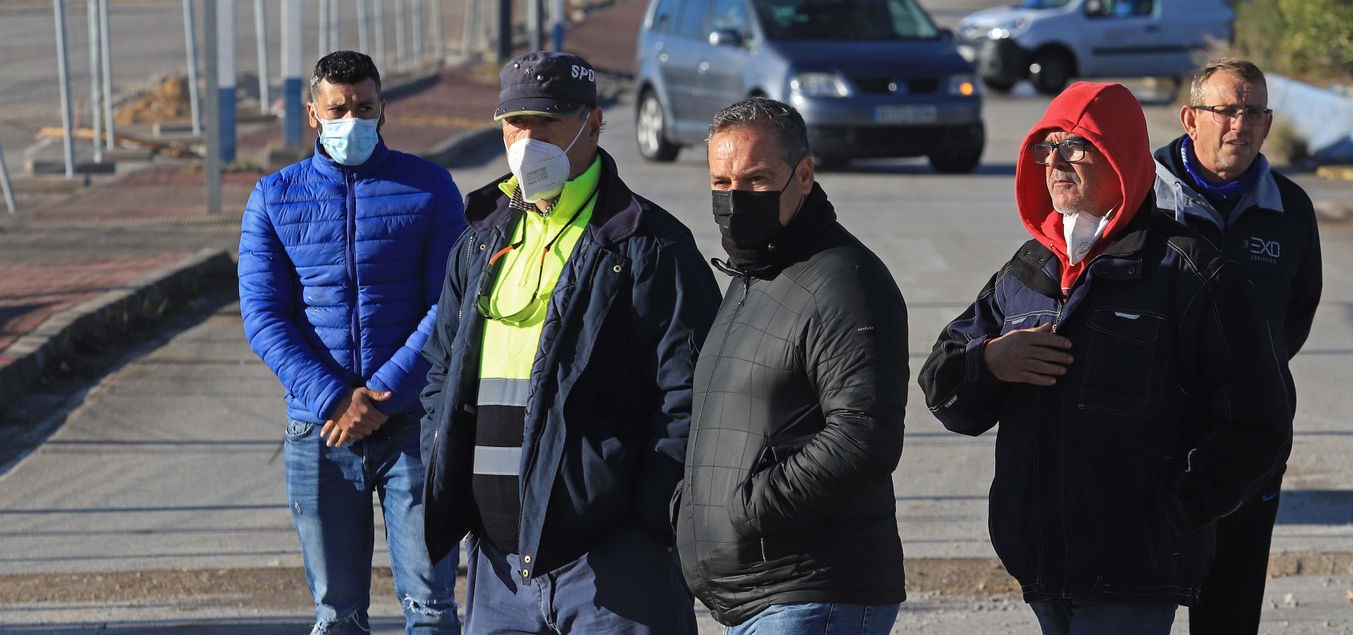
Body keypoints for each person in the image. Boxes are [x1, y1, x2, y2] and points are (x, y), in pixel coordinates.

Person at [917, 81, 1291, 634]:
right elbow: (941, 383)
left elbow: (1258, 424)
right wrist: (990, 363)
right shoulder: (1030, 269)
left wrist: (1172, 516)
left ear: (1118, 157)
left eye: (1076, 146)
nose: (1056, 161)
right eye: (1047, 146)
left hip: (1133, 574)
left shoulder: (1190, 273)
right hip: (1042, 564)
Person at [420, 50, 720, 635]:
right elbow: (441, 371)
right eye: (515, 123)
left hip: (613, 569)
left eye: (547, 122)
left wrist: (650, 521)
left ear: (593, 122)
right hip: (497, 568)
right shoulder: (480, 241)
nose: (528, 139)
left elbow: (692, 398)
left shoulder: (649, 247)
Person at [239, 50, 464, 635]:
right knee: (336, 615)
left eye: (364, 107)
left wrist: (383, 391)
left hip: (413, 423)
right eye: (337, 109)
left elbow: (451, 305)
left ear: (383, 109)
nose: (352, 120)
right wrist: (335, 398)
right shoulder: (273, 197)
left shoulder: (429, 187)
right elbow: (264, 317)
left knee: (432, 609)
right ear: (312, 113)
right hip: (319, 431)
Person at [676, 97, 909, 633]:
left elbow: (863, 437)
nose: (736, 200)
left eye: (757, 181)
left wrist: (745, 510)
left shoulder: (845, 280)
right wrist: (689, 505)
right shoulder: (753, 278)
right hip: (759, 598)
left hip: (811, 594)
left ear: (803, 176)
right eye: (722, 184)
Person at [1154, 58, 1323, 635]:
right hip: (1151, 435)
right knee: (1132, 594)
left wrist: (1249, 380)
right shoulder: (1139, 200)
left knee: (1230, 602)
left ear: (1268, 123)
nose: (1239, 125)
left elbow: (1296, 312)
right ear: (1190, 118)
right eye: (1225, 110)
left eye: (1253, 112)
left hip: (1250, 439)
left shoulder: (1292, 209)